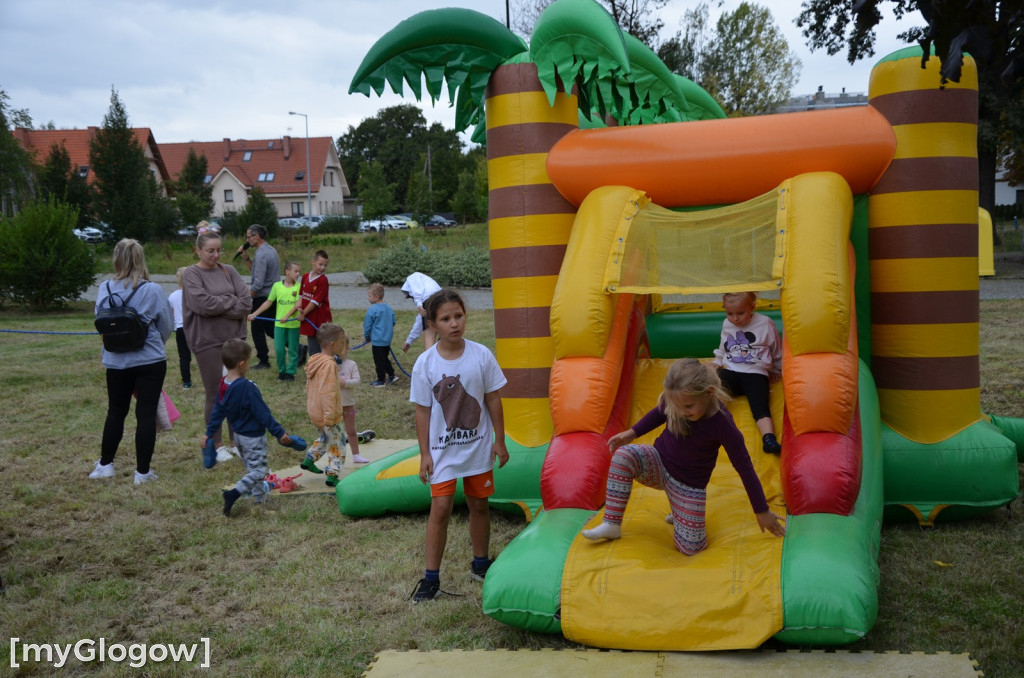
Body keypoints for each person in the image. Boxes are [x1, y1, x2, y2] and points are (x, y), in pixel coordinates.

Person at [581, 359, 786, 555]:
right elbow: (660, 411)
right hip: (658, 464)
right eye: (677, 406)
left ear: (709, 393)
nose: (681, 411)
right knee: (624, 456)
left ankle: (680, 511)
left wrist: (762, 511)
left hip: (688, 486)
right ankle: (611, 524)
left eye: (688, 407)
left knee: (691, 549)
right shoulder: (680, 401)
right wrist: (631, 433)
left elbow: (744, 467)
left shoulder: (723, 425)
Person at [408, 289, 509, 603]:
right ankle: (431, 579)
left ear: (465, 316)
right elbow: (422, 410)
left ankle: (481, 564)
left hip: (478, 448)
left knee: (479, 504)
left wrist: (500, 440)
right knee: (440, 509)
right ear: (433, 324)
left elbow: (493, 398)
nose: (454, 323)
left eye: (458, 316)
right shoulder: (425, 364)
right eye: (446, 318)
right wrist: (425, 453)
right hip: (442, 453)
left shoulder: (481, 355)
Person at [89, 239, 174, 485]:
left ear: (116, 259)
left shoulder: (105, 288)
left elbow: (101, 321)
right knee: (146, 414)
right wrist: (155, 343)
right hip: (149, 360)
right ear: (140, 258)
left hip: (115, 360)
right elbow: (166, 325)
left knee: (116, 411)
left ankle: (105, 464)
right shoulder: (153, 290)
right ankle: (143, 472)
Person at [202, 339, 298, 517]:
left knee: (253, 470)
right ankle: (233, 493)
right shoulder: (247, 388)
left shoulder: (224, 384)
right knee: (259, 471)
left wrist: (209, 433)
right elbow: (263, 413)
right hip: (252, 437)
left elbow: (218, 411)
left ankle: (260, 502)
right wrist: (279, 433)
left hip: (238, 437)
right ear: (242, 364)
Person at [183, 230, 252, 457]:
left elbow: (246, 302)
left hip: (234, 340)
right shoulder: (192, 275)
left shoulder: (229, 271)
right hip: (208, 342)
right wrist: (230, 301)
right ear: (198, 250)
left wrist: (223, 306)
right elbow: (201, 305)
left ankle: (235, 442)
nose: (215, 255)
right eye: (210, 251)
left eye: (219, 250)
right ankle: (217, 444)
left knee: (236, 391)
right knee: (215, 393)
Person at [712, 291, 783, 454]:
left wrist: (777, 369)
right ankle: (706, 429)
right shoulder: (727, 324)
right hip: (731, 371)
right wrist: (717, 361)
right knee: (714, 392)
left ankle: (768, 438)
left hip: (755, 374)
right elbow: (724, 345)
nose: (735, 318)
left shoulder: (764, 323)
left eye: (740, 313)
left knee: (760, 407)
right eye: (730, 313)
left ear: (752, 307)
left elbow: (775, 348)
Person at [300, 323, 348, 487]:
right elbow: (328, 392)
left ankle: (310, 458)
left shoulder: (315, 360)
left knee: (325, 438)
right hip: (329, 414)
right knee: (338, 444)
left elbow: (310, 388)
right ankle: (333, 474)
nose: (344, 345)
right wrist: (329, 416)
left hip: (315, 412)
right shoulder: (329, 365)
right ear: (333, 345)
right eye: (342, 342)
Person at [235, 224, 280, 370]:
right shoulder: (270, 250)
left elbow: (258, 283)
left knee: (257, 329)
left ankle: (264, 361)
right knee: (271, 329)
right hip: (272, 296)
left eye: (249, 237)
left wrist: (247, 298)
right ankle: (299, 348)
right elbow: (257, 272)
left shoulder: (261, 254)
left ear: (257, 237)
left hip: (262, 297)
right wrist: (246, 258)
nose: (247, 240)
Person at [249, 261, 302, 381]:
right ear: (287, 272)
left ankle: (290, 372)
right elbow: (268, 302)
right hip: (279, 324)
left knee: (293, 350)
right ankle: (282, 371)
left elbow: (298, 304)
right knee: (279, 349)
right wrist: (254, 314)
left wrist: (287, 316)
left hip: (293, 324)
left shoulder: (299, 287)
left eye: (299, 271)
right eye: (295, 271)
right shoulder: (277, 286)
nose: (298, 274)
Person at [334, 331, 371, 464]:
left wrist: (345, 382)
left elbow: (357, 381)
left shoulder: (351, 364)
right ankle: (336, 457)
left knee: (351, 430)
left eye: (342, 348)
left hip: (348, 404)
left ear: (347, 348)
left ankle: (356, 455)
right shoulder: (329, 365)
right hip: (333, 405)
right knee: (334, 433)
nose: (338, 352)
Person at [293, 250, 332, 361]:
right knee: (312, 346)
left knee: (323, 346)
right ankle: (316, 366)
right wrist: (299, 307)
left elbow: (315, 302)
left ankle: (327, 366)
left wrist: (303, 314)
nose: (323, 267)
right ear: (313, 262)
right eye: (321, 264)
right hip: (309, 318)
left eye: (325, 265)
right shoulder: (305, 277)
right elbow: (301, 296)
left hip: (321, 319)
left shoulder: (323, 280)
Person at [363, 282, 398, 386]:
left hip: (378, 341)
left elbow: (367, 326)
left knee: (379, 362)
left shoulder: (372, 310)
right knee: (384, 358)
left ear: (376, 297)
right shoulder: (388, 308)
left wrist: (367, 337)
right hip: (387, 340)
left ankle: (381, 380)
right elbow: (393, 321)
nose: (368, 298)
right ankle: (392, 375)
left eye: (369, 296)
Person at [400, 271, 441, 352]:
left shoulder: (412, 277)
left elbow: (417, 291)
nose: (411, 298)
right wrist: (409, 341)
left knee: (429, 337)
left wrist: (419, 303)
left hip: (431, 300)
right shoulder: (427, 283)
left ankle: (430, 361)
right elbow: (420, 322)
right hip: (442, 299)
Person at [167, 267, 192, 389]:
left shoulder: (172, 296)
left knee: (184, 356)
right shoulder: (194, 295)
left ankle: (186, 382)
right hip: (194, 328)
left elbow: (171, 314)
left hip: (181, 329)